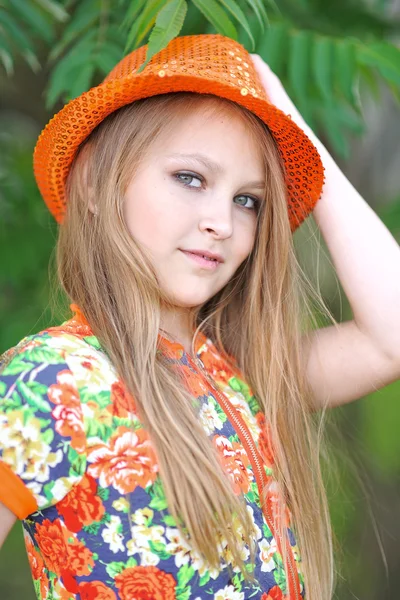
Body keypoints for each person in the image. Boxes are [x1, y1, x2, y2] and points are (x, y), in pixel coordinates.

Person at [0, 33, 399, 600]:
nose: (223, 222)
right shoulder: (49, 382)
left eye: (249, 199)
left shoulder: (243, 372)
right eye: (191, 178)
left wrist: (288, 118)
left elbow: (393, 334)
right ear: (93, 182)